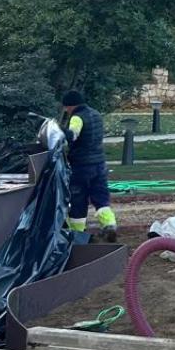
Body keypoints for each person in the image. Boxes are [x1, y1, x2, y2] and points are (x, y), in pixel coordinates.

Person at [59, 90, 117, 243]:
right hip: (100, 165)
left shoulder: (77, 117)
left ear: (71, 105)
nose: (66, 110)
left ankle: (78, 234)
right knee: (101, 198)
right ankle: (110, 225)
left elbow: (73, 135)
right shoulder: (96, 114)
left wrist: (60, 130)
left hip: (81, 167)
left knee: (78, 200)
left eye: (66, 107)